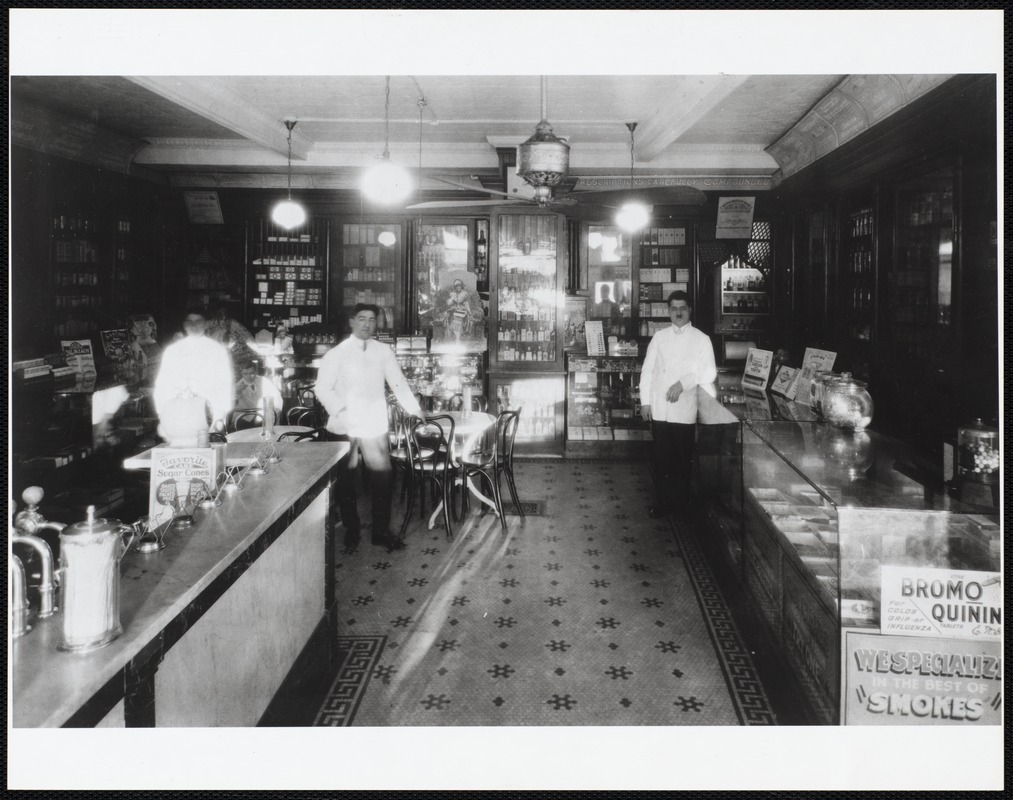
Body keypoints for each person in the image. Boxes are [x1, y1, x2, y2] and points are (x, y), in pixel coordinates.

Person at [315, 304, 425, 552]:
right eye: (362, 319)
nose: (367, 324)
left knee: (383, 478)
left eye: (372, 320)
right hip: (344, 424)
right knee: (346, 481)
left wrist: (414, 409)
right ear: (352, 322)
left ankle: (381, 531)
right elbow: (322, 388)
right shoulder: (336, 353)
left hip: (373, 423)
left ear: (377, 324)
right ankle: (352, 530)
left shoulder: (383, 351)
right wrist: (341, 410)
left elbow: (397, 382)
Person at [639, 291, 716, 517]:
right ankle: (663, 503)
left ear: (690, 310)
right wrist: (645, 403)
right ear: (668, 311)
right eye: (674, 309)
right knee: (662, 460)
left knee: (682, 460)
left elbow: (708, 372)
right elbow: (647, 371)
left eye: (682, 308)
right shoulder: (659, 337)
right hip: (660, 410)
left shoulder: (701, 339)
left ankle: (682, 506)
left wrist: (683, 383)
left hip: (684, 410)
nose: (678, 313)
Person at [153, 308, 234, 443]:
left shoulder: (217, 350)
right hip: (179, 415)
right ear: (185, 325)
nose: (194, 325)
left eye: (198, 321)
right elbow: (162, 385)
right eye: (190, 322)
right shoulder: (173, 350)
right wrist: (162, 414)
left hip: (208, 414)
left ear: (206, 324)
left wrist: (219, 417)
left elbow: (224, 385)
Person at [205, 305, 258, 370]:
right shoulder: (212, 325)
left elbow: (249, 342)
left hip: (239, 358)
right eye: (221, 319)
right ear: (217, 319)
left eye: (226, 319)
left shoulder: (233, 325)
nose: (224, 322)